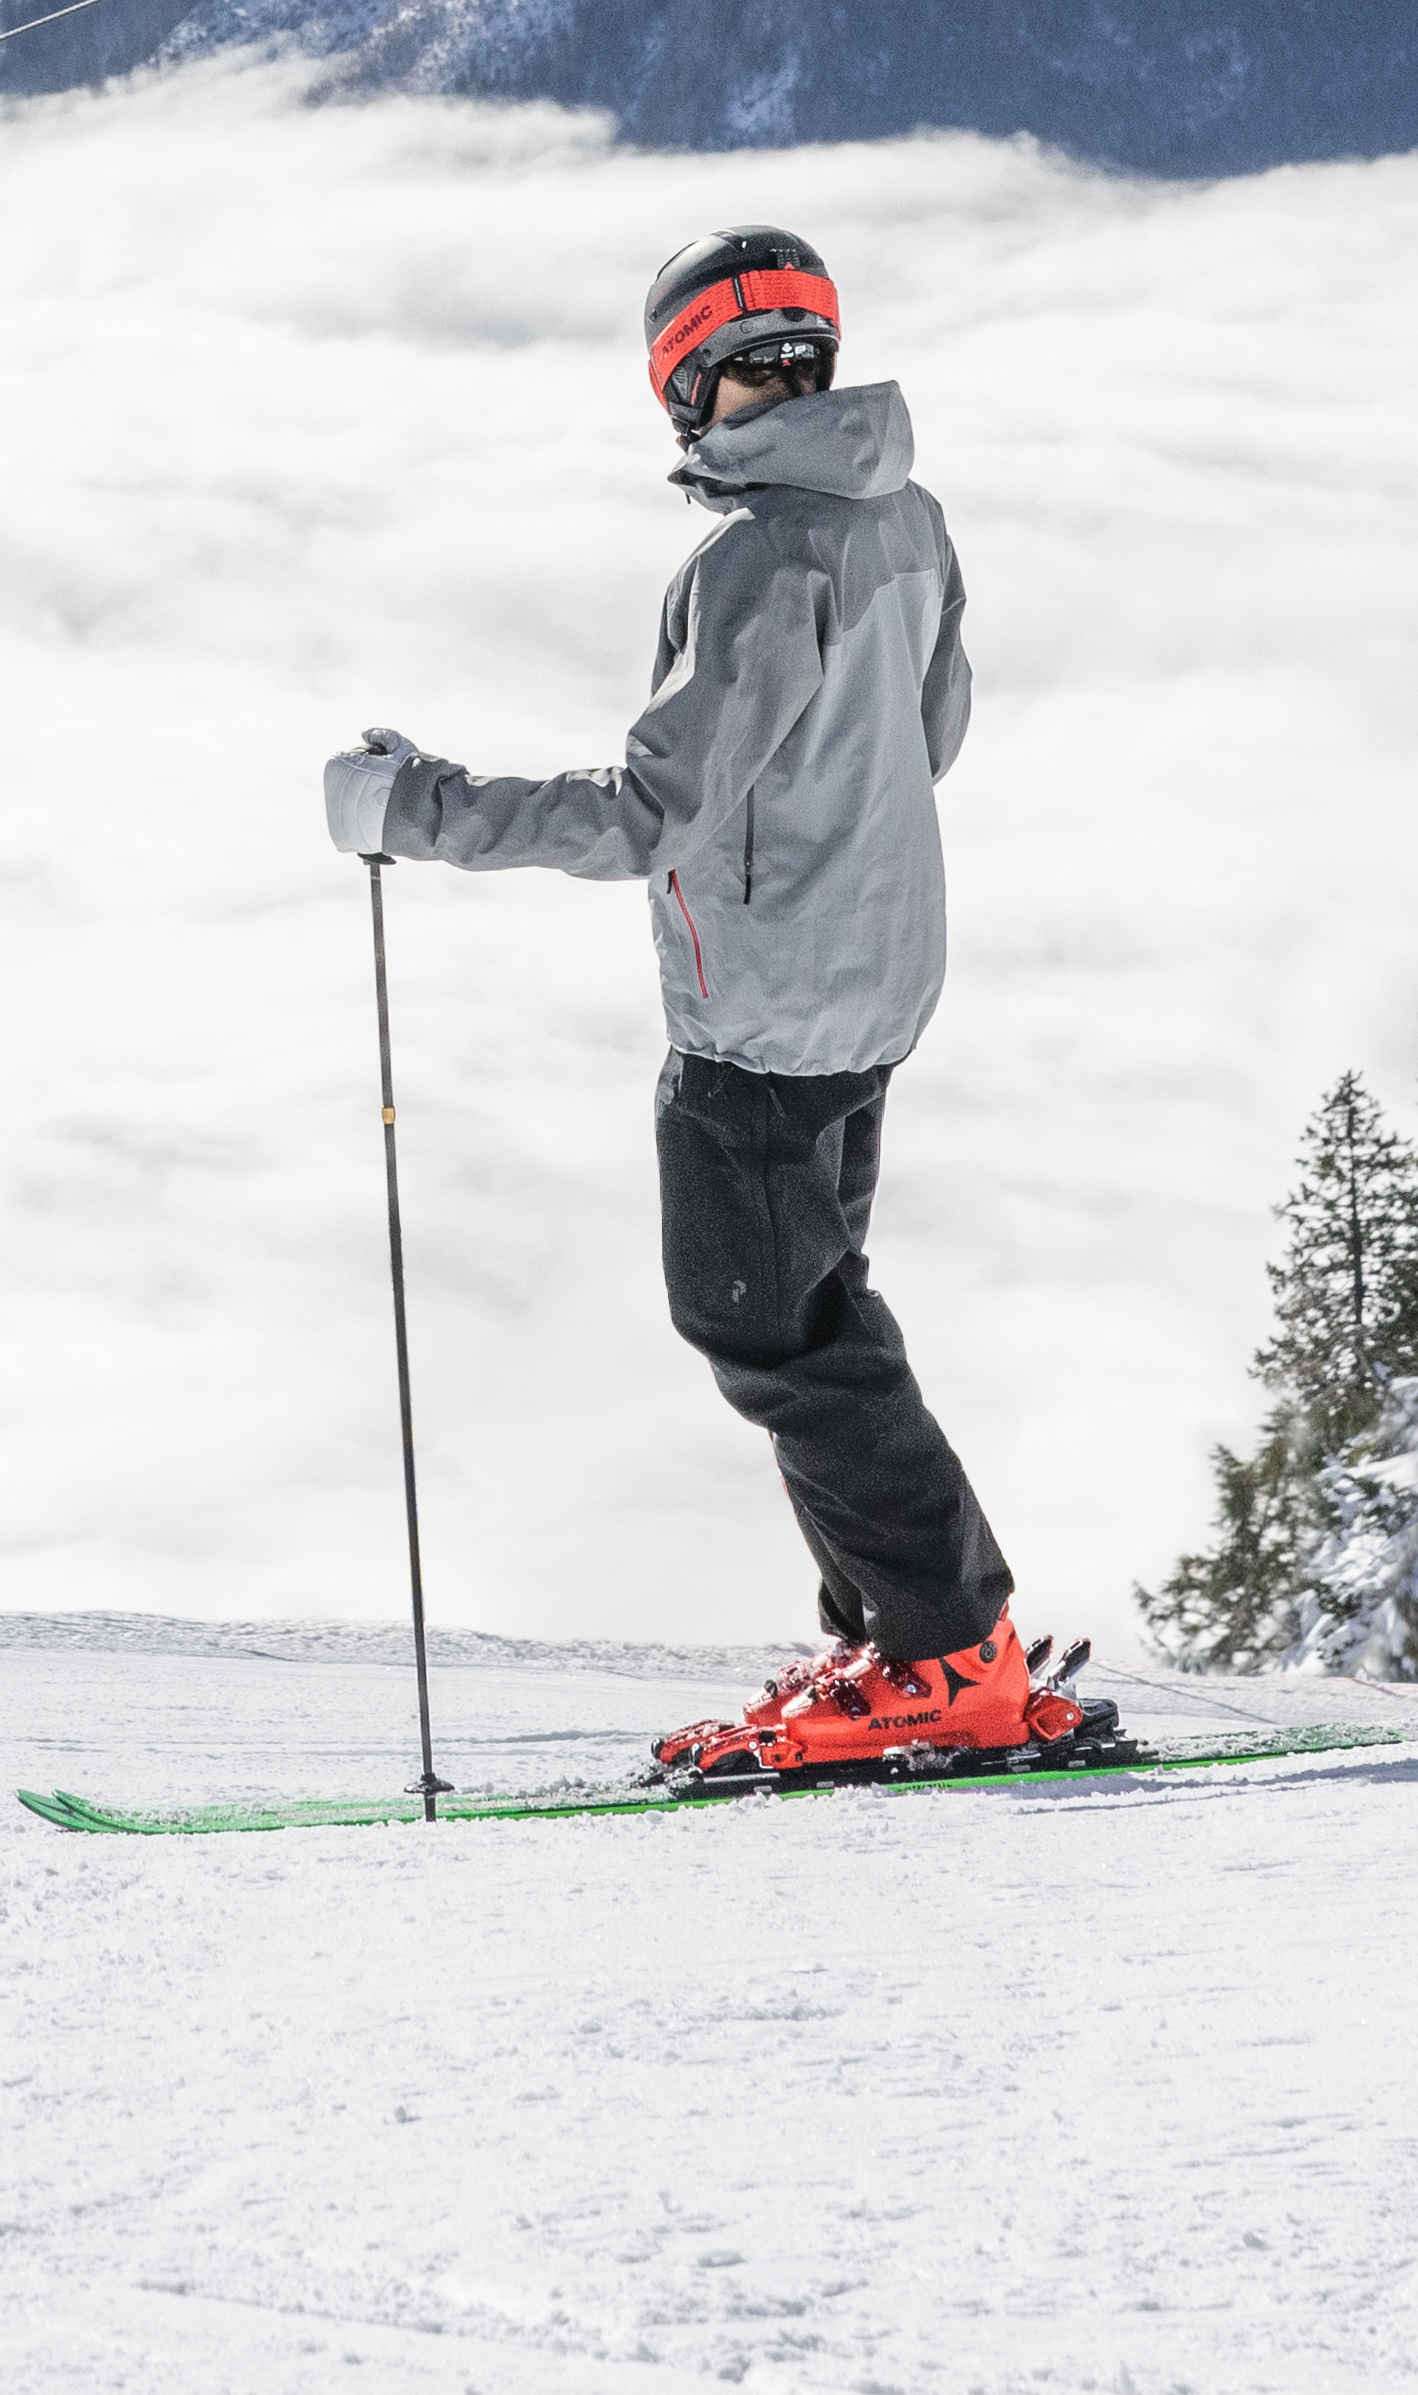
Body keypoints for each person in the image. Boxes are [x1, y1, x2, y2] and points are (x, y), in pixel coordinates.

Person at [324, 228, 1088, 1778]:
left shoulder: (755, 558)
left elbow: (645, 819)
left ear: (683, 386)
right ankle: (914, 1635)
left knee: (774, 1331)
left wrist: (419, 808)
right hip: (877, 977)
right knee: (817, 1309)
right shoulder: (904, 514)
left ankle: (947, 1654)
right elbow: (931, 732)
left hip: (766, 1013)